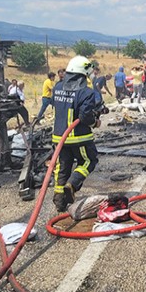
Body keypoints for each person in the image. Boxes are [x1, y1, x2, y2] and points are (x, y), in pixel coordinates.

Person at [51, 56, 101, 212]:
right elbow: (85, 117)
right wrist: (95, 122)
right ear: (83, 74)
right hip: (79, 137)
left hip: (59, 137)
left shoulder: (57, 87)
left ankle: (59, 202)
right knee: (89, 161)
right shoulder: (86, 92)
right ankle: (72, 183)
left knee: (62, 167)